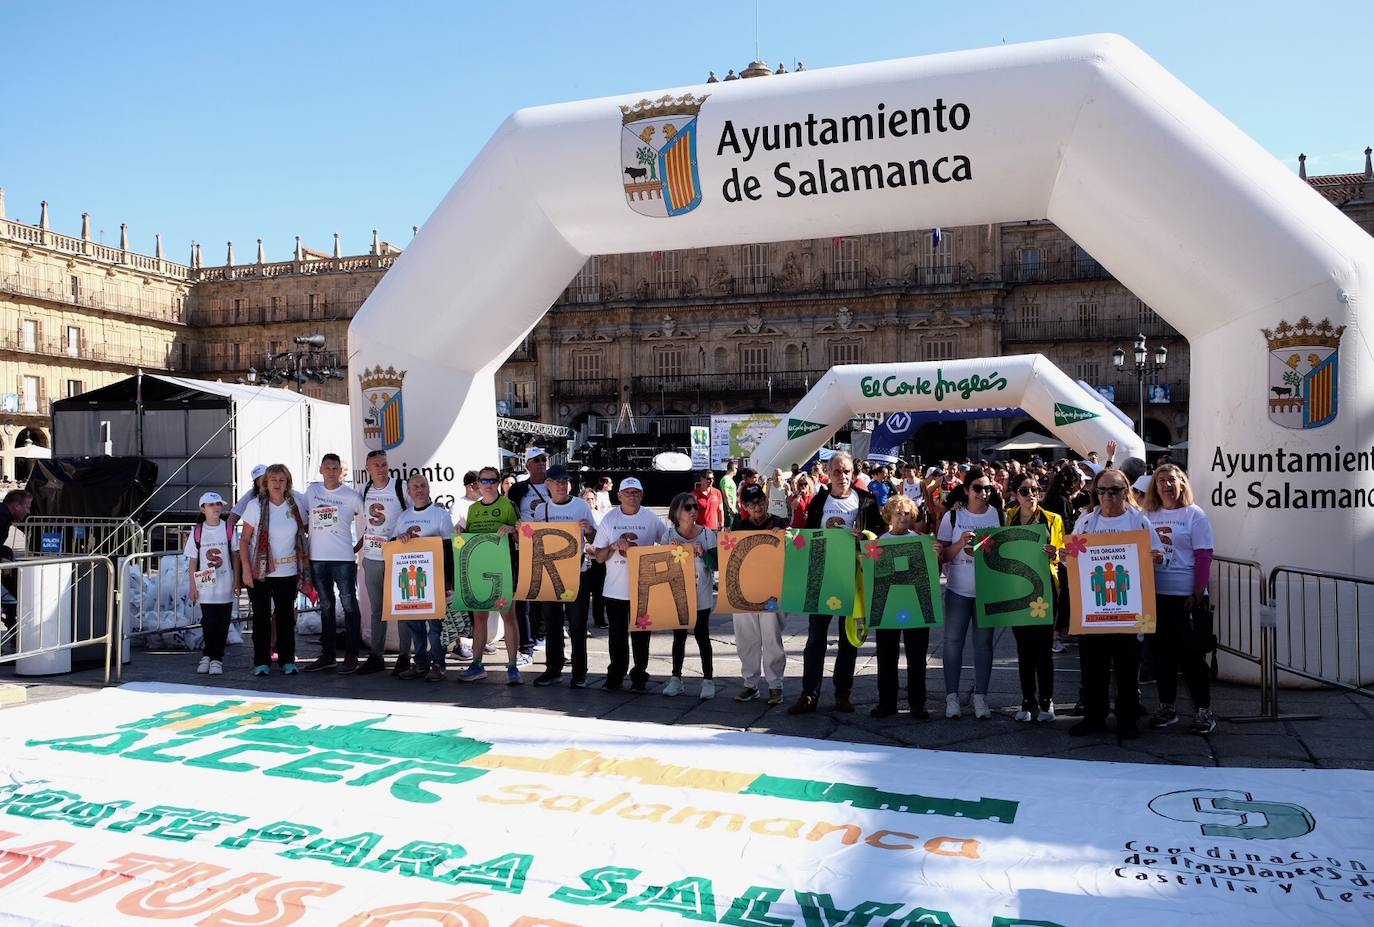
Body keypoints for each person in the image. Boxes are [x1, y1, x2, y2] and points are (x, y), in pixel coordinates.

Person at [1069, 468, 1164, 739]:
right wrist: (1064, 555)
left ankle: (1127, 718)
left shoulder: (1139, 522)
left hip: (1129, 608)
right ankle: (1094, 717)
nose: (1107, 496)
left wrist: (1157, 558)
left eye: (1114, 490)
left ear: (1126, 492)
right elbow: (1073, 559)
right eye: (1101, 490)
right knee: (1092, 666)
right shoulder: (1087, 522)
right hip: (1093, 608)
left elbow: (1159, 555)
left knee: (1127, 667)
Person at [789, 452, 884, 716]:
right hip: (823, 577)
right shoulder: (819, 500)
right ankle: (809, 694)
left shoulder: (865, 501)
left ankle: (843, 694)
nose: (842, 476)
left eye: (846, 471)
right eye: (837, 472)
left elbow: (878, 534)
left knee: (848, 639)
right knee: (815, 638)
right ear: (828, 474)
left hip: (853, 579)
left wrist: (863, 537)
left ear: (853, 473)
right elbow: (807, 535)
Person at [1143, 465, 1217, 735]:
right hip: (1156, 596)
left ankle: (1203, 710)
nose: (1166, 485)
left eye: (1172, 480)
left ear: (1182, 484)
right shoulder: (1147, 514)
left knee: (1192, 658)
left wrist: (1197, 592)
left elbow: (1204, 555)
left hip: (1185, 597)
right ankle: (1167, 707)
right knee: (1162, 656)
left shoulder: (1194, 515)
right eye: (1161, 480)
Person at [936, 467, 1004, 719]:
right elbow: (942, 556)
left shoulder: (996, 514)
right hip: (957, 590)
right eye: (977, 488)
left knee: (984, 645)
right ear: (966, 490)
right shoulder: (952, 517)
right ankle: (951, 697)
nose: (983, 493)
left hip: (986, 592)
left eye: (988, 488)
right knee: (953, 644)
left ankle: (980, 698)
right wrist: (960, 542)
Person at [593, 476, 668, 692]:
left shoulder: (651, 518)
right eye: (628, 493)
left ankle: (639, 676)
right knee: (616, 637)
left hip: (642, 588)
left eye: (636, 492)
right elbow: (599, 557)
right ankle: (615, 675)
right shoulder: (609, 519)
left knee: (641, 637)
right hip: (614, 589)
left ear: (642, 495)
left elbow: (667, 545)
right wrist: (614, 546)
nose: (632, 496)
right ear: (619, 496)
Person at [238, 464, 310, 676]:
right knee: (261, 617)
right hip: (260, 571)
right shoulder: (255, 506)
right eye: (273, 480)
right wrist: (245, 570)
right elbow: (244, 540)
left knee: (286, 617)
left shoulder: (295, 503)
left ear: (287, 482)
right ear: (265, 484)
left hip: (288, 570)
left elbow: (303, 532)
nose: (278, 484)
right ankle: (261, 662)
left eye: (282, 480)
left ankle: (287, 660)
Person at [1004, 472, 1064, 723]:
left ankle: (1047, 700)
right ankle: (1027, 700)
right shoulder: (1008, 517)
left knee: (1043, 649)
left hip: (1044, 589)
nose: (1032, 495)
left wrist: (1054, 553)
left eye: (1035, 490)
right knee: (1023, 649)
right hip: (1017, 588)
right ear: (1015, 494)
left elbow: (1061, 553)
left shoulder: (1052, 519)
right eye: (1025, 491)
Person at [456, 466, 523, 685]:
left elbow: (523, 537)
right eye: (484, 481)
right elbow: (467, 539)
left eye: (492, 480)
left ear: (498, 481)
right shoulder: (473, 509)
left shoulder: (508, 505)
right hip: (479, 568)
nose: (488, 484)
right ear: (478, 484)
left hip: (504, 568)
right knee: (479, 618)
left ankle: (513, 666)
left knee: (508, 616)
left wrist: (512, 530)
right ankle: (477, 664)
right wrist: (459, 532)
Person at [868, 494, 933, 719]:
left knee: (917, 657)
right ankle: (887, 703)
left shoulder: (922, 540)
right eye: (898, 513)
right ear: (889, 516)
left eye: (907, 513)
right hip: (888, 606)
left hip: (915, 605)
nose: (902, 517)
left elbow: (934, 574)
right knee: (886, 656)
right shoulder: (879, 543)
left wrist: (936, 556)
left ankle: (918, 703)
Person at [533, 465, 596, 688]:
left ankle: (580, 673)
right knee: (552, 623)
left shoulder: (581, 506)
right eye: (557, 481)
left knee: (578, 624)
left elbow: (595, 538)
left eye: (565, 481)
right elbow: (534, 540)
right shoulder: (541, 510)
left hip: (577, 573)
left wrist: (588, 530)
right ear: (548, 484)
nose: (561, 485)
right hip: (550, 574)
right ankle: (553, 669)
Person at [303, 454, 365, 674]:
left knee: (349, 605)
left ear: (341, 470)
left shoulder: (351, 495)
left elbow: (370, 521)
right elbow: (301, 517)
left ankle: (351, 654)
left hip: (343, 559)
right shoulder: (311, 492)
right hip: (318, 558)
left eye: (335, 468)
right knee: (326, 607)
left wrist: (359, 545)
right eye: (327, 467)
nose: (331, 471)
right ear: (320, 470)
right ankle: (328, 655)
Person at [392, 472, 455, 682]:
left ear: (429, 489)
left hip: (435, 580)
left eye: (423, 485)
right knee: (415, 625)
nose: (419, 489)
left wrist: (448, 581)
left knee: (435, 627)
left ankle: (438, 665)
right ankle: (420, 664)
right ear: (409, 492)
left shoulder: (440, 515)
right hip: (411, 583)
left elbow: (449, 549)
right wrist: (399, 539)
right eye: (415, 487)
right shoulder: (403, 517)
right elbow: (394, 545)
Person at [730, 483, 789, 705]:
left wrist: (787, 537)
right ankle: (750, 684)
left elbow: (794, 549)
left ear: (766, 501)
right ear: (744, 506)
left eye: (760, 501)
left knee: (771, 636)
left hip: (773, 591)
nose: (757, 507)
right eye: (752, 503)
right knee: (746, 639)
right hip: (744, 590)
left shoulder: (780, 523)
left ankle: (775, 685)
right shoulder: (738, 526)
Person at [357, 450, 411, 676]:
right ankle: (376, 655)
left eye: (384, 464)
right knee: (377, 609)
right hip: (372, 555)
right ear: (367, 468)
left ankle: (404, 656)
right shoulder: (364, 490)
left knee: (402, 608)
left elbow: (415, 511)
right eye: (376, 465)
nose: (381, 468)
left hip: (397, 556)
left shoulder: (400, 486)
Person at [663, 491, 717, 699]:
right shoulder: (669, 536)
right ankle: (676, 679)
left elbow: (717, 564)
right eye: (688, 507)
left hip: (701, 594)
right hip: (678, 594)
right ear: (676, 512)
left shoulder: (706, 534)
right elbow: (661, 564)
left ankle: (708, 681)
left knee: (703, 636)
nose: (694, 511)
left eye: (696, 507)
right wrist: (668, 551)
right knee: (679, 637)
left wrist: (704, 553)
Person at [185, 491, 239, 676]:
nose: (216, 508)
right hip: (205, 583)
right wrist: (192, 586)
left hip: (225, 581)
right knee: (208, 621)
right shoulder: (197, 531)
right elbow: (193, 560)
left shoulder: (228, 528)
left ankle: (217, 657)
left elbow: (235, 555)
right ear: (203, 509)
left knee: (223, 621)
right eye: (211, 505)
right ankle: (208, 654)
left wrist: (237, 580)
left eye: (218, 504)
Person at [507, 448, 552, 664]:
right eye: (536, 460)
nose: (541, 463)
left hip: (551, 547)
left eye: (544, 459)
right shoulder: (518, 489)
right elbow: (510, 514)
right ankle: (526, 647)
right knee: (524, 597)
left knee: (548, 596)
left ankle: (544, 637)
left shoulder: (557, 484)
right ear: (527, 465)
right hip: (525, 548)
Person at [578, 486, 608, 629]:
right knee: (583, 593)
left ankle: (600, 620)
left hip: (600, 558)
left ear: (596, 501)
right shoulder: (578, 516)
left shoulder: (604, 516)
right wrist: (586, 548)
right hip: (583, 558)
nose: (589, 502)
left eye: (591, 499)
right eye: (586, 499)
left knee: (599, 592)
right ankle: (581, 624)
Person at [226, 464, 268, 534]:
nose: (266, 480)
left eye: (267, 477)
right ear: (257, 482)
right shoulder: (251, 496)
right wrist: (228, 539)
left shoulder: (285, 492)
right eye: (262, 478)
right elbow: (233, 518)